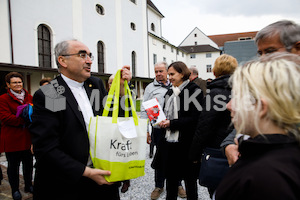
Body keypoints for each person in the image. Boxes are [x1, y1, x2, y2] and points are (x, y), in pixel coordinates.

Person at [29, 39, 131, 200]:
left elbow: (114, 121)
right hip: (67, 182)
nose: (89, 61)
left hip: (103, 176)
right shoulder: (52, 92)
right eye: (82, 55)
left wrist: (122, 92)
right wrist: (87, 172)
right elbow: (46, 147)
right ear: (62, 60)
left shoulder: (95, 84)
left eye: (90, 56)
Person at [215, 52, 300, 200]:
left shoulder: (267, 179)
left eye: (237, 96)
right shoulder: (282, 158)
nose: (228, 105)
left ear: (261, 107)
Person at [221, 19, 300, 166]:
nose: (263, 59)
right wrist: (228, 144)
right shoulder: (266, 84)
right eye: (260, 53)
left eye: (270, 52)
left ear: (297, 48)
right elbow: (246, 122)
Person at [152, 61, 203, 200]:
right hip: (170, 143)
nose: (169, 78)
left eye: (172, 74)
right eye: (168, 74)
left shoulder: (194, 91)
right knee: (171, 182)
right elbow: (164, 113)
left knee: (190, 182)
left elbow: (195, 119)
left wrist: (172, 123)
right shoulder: (170, 91)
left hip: (187, 145)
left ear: (182, 73)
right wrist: (160, 120)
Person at [190, 54, 237, 197]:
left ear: (214, 72)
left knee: (218, 190)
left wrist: (194, 153)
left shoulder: (215, 92)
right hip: (237, 146)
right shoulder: (243, 90)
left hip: (217, 149)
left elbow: (205, 126)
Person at [140, 61, 186, 199]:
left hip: (175, 128)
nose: (158, 74)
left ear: (167, 71)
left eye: (161, 71)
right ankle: (159, 186)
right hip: (159, 129)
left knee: (176, 157)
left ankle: (178, 184)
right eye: (156, 71)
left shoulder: (177, 85)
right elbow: (144, 109)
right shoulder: (150, 88)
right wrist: (145, 130)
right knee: (159, 157)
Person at [0, 72, 34, 200]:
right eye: (14, 82)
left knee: (28, 165)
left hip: (27, 137)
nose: (18, 84)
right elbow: (5, 118)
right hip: (12, 138)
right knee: (13, 167)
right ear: (8, 85)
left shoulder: (29, 97)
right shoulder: (3, 99)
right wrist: (25, 119)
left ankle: (28, 185)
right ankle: (15, 189)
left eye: (19, 82)